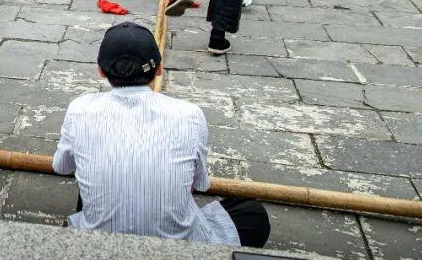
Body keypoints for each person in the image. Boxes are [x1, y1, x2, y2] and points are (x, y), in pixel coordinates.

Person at [53, 22, 270, 248]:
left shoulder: (80, 108)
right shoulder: (190, 114)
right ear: (159, 69)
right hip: (177, 248)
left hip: (100, 244)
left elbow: (62, 167)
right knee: (252, 214)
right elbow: (198, 184)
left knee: (89, 178)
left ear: (100, 70)